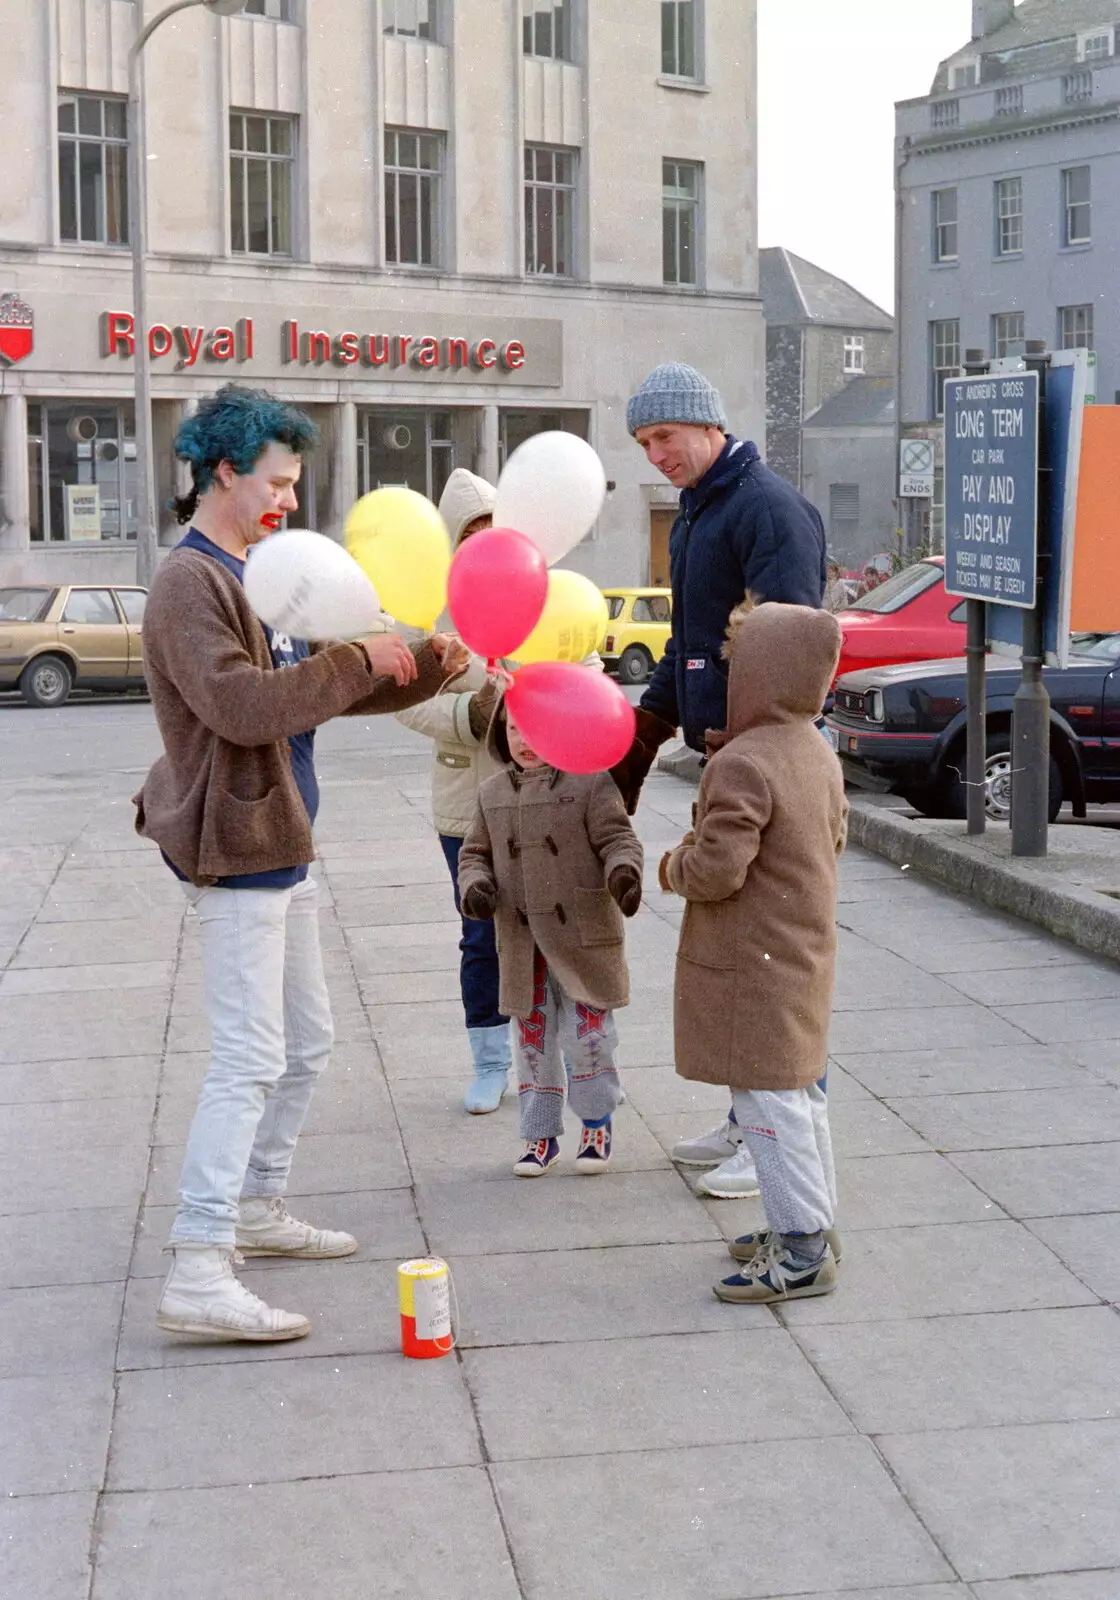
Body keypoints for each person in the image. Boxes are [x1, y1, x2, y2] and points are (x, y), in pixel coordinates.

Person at [136, 385, 464, 1343]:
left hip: (281, 841)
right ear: (226, 471)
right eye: (276, 482)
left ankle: (254, 1208)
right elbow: (244, 708)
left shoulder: (254, 569)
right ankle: (199, 1265)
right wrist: (362, 659)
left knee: (305, 1042)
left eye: (294, 484)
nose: (287, 500)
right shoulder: (189, 584)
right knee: (248, 1056)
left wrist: (420, 665)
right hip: (236, 847)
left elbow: (305, 697)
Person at [612, 361, 828, 1198]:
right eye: (642, 442)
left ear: (707, 425)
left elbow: (791, 648)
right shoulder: (700, 513)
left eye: (664, 435)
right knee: (737, 960)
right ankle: (754, 1119)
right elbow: (689, 649)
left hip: (762, 765)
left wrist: (750, 747)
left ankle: (783, 1134)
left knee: (773, 969)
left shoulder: (769, 510)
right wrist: (639, 743)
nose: (655, 453)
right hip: (723, 759)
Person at [659, 599, 848, 1303]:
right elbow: (832, 841)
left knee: (768, 1108)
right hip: (799, 956)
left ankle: (799, 1251)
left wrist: (674, 862)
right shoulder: (814, 749)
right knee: (799, 1097)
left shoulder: (743, 763)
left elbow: (716, 870)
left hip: (751, 968)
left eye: (740, 662)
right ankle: (814, 1225)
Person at [458, 702, 644, 1176]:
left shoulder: (590, 782)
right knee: (533, 1042)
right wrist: (476, 887)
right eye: (514, 729)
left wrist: (623, 872)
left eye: (536, 729)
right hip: (523, 942)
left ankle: (597, 1122)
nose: (524, 740)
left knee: (588, 1037)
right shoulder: (491, 793)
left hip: (581, 937)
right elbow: (473, 854)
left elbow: (617, 838)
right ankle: (540, 1136)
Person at [395, 469, 509, 1113]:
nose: (484, 543)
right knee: (481, 931)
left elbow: (577, 671)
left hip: (541, 793)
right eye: (471, 534)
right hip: (466, 807)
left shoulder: (542, 595)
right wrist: (473, 716)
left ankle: (569, 1056)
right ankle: (490, 1060)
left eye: (494, 530)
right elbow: (405, 703)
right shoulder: (428, 616)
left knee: (554, 926)